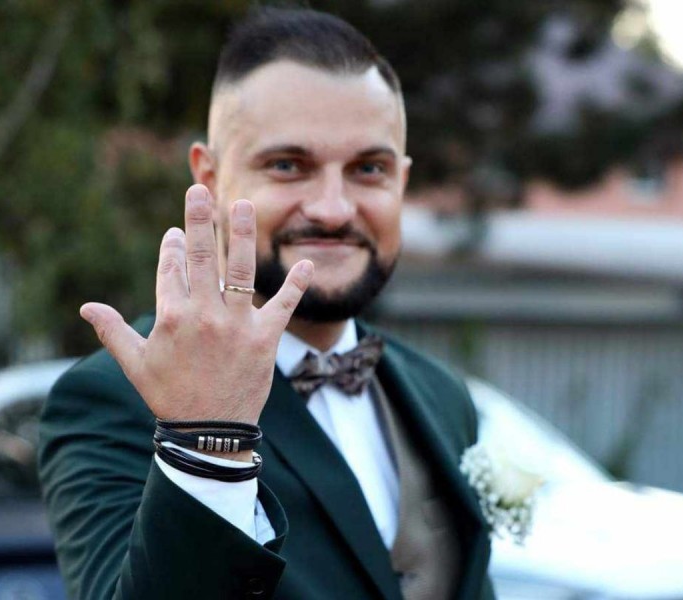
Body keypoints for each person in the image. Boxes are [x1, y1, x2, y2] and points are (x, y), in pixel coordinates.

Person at [39, 7, 495, 600]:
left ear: (402, 182)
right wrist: (209, 439)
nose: (333, 209)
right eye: (287, 166)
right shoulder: (110, 398)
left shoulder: (443, 395)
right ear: (209, 176)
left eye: (369, 168)